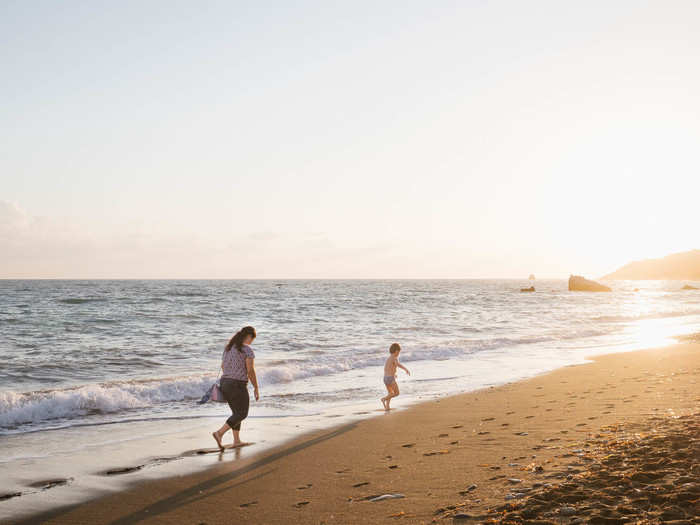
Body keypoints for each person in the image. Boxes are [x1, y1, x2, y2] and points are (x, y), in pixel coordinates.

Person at [212, 326, 260, 450]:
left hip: (225, 383)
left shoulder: (228, 348)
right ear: (249, 336)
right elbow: (250, 371)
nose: (252, 341)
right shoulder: (247, 349)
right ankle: (219, 433)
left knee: (236, 413)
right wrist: (256, 387)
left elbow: (223, 366)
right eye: (252, 338)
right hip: (237, 385)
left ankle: (237, 441)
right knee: (242, 413)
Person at [381, 343, 410, 411]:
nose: (399, 354)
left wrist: (393, 374)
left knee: (390, 393)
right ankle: (384, 399)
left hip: (385, 378)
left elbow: (387, 368)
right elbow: (397, 364)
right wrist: (405, 369)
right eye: (399, 352)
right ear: (396, 351)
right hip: (390, 378)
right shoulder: (394, 358)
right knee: (397, 393)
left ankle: (387, 407)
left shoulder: (389, 358)